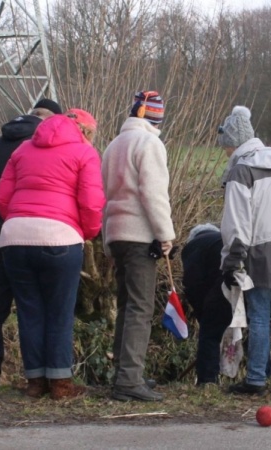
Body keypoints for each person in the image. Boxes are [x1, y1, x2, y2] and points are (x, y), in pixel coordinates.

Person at [0, 109, 105, 400]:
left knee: (30, 311)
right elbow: (92, 202)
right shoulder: (84, 153)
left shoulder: (23, 148)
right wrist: (87, 231)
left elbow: (2, 197)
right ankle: (60, 384)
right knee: (59, 311)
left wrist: (19, 221)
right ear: (86, 131)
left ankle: (35, 382)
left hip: (15, 236)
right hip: (60, 237)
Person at [0, 99, 62, 386]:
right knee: (33, 307)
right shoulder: (42, 146)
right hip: (29, 233)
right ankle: (36, 374)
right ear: (51, 121)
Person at [219, 105, 271, 396]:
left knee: (258, 315)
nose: (226, 152)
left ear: (234, 143)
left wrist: (233, 259)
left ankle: (256, 379)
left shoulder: (242, 171)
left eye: (226, 147)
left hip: (258, 253)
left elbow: (237, 221)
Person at [101, 90, 176, 402]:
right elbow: (153, 193)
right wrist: (165, 234)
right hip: (139, 235)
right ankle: (130, 379)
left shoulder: (113, 145)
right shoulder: (149, 143)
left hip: (115, 235)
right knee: (141, 307)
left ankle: (124, 371)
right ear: (156, 119)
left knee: (127, 304)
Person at [181, 223, 232, 385]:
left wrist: (202, 314)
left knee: (209, 333)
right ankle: (260, 375)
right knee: (254, 327)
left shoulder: (192, 247)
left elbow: (192, 284)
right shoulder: (223, 240)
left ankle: (207, 380)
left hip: (220, 284)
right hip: (243, 280)